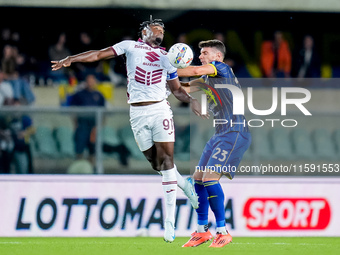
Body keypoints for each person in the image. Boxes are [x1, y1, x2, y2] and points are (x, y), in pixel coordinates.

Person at [51, 17, 203, 242]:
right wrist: (71, 59)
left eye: (162, 28)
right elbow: (98, 54)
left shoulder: (168, 57)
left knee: (167, 161)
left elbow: (176, 90)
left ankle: (169, 223)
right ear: (144, 33)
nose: (160, 30)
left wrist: (190, 99)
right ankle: (185, 184)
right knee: (157, 165)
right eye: (155, 27)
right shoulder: (129, 46)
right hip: (137, 114)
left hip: (160, 110)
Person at [177, 40, 251, 248]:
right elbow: (183, 87)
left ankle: (223, 231)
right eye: (201, 53)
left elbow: (193, 70)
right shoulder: (206, 79)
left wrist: (168, 66)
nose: (200, 56)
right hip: (220, 134)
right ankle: (202, 231)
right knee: (198, 179)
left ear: (218, 56)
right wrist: (157, 79)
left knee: (209, 178)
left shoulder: (221, 68)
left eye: (204, 52)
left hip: (235, 132)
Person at [69, 74, 130, 167]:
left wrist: (98, 127)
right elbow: (73, 111)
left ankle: (91, 169)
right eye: (89, 81)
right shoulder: (79, 95)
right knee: (80, 146)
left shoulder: (99, 95)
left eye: (92, 80)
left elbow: (103, 113)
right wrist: (76, 124)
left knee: (93, 148)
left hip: (94, 125)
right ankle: (78, 168)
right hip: (82, 125)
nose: (90, 83)